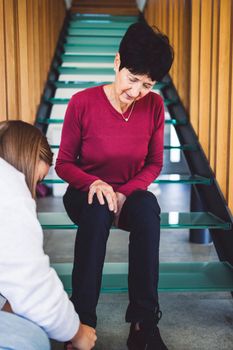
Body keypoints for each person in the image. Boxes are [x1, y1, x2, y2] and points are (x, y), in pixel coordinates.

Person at [55, 22, 174, 350]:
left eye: (147, 85)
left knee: (149, 208)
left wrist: (124, 192)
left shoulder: (155, 107)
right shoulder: (82, 102)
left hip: (129, 193)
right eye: (132, 79)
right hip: (85, 191)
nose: (136, 93)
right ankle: (81, 321)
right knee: (96, 207)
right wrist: (95, 183)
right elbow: (63, 163)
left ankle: (143, 323)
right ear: (117, 61)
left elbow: (154, 164)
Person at [0, 120, 97, 350]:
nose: (33, 190)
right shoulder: (10, 192)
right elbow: (32, 283)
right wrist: (76, 331)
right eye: (36, 180)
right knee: (32, 340)